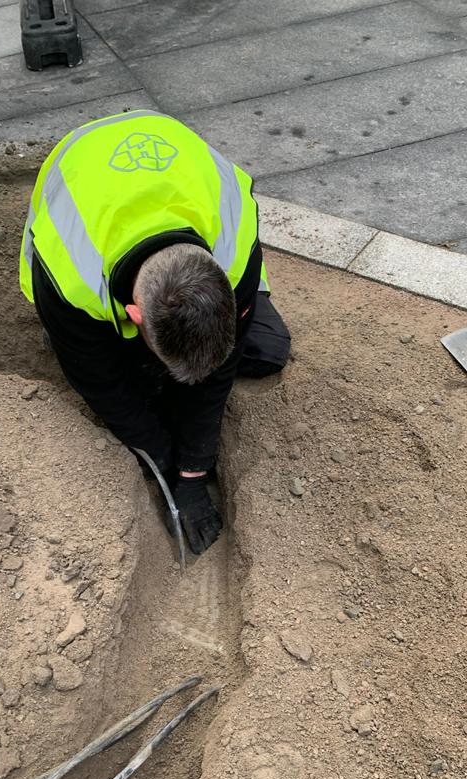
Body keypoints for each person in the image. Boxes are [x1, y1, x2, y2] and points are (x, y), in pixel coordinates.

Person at [19, 110, 290, 554]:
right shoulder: (71, 279)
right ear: (134, 315)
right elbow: (101, 385)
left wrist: (194, 472)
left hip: (167, 150)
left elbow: (221, 371)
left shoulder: (236, 245)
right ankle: (149, 371)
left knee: (266, 350)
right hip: (85, 174)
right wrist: (162, 462)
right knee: (134, 382)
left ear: (224, 287)